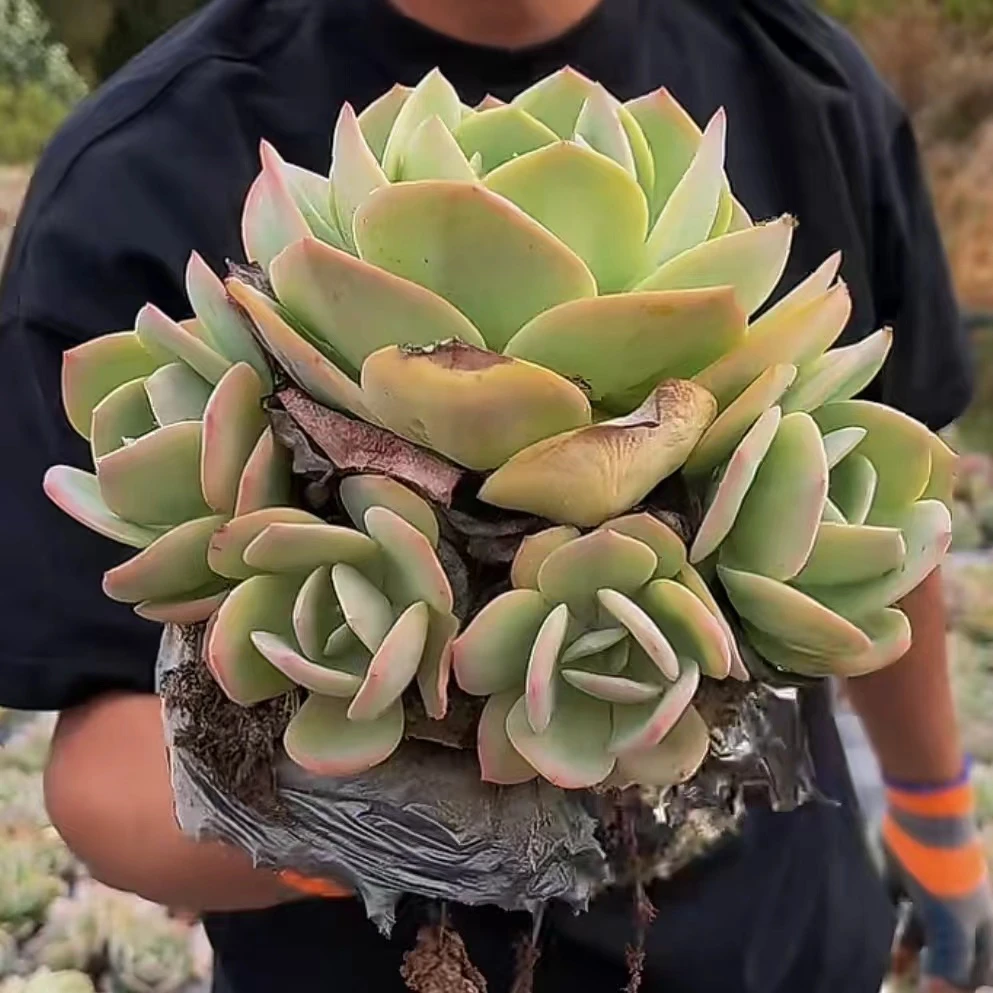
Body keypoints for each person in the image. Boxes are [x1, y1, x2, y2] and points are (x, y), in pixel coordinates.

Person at [0, 0, 988, 990]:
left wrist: (933, 811)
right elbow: (96, 761)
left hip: (781, 945)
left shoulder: (807, 85)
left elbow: (884, 519)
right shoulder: (142, 162)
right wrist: (349, 837)